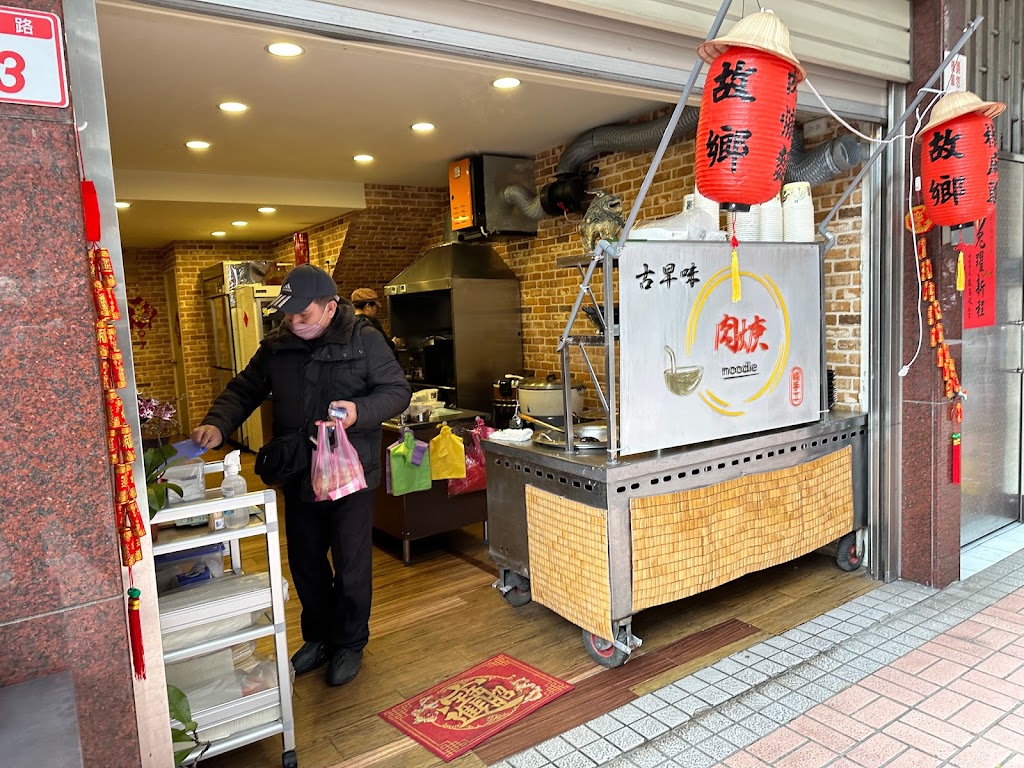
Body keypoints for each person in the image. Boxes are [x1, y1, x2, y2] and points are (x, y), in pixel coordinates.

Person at [191, 265, 411, 686]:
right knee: (306, 563)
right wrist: (219, 422)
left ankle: (349, 642)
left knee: (350, 565)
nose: (293, 322)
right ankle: (319, 638)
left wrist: (360, 412)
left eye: (302, 315)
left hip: (349, 474)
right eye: (288, 315)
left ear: (330, 308)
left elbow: (396, 391)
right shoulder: (278, 345)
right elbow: (244, 388)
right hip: (300, 471)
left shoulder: (364, 340)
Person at [351, 287, 396, 353]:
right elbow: (386, 346)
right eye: (375, 307)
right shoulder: (370, 322)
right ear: (368, 306)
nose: (376, 311)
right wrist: (395, 343)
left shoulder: (346, 322)